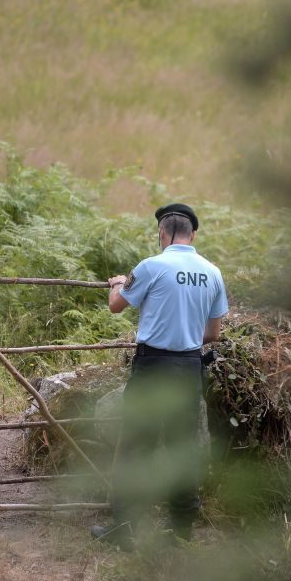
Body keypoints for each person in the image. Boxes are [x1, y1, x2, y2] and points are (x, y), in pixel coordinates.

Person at [92, 202, 228, 550]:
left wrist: (118, 283)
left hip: (153, 367)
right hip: (188, 368)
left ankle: (124, 529)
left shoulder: (152, 266)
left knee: (136, 447)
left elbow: (116, 305)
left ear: (162, 234)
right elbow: (212, 333)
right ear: (192, 234)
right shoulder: (212, 272)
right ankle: (181, 531)